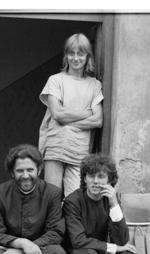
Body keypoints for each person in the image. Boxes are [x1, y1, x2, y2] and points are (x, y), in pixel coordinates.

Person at [38, 33, 104, 198]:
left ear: (87, 56)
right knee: (52, 197)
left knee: (74, 201)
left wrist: (67, 121)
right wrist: (87, 112)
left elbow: (98, 120)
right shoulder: (55, 80)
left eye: (80, 54)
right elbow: (58, 114)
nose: (75, 58)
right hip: (55, 146)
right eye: (71, 53)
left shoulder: (94, 85)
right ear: (66, 56)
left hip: (79, 150)